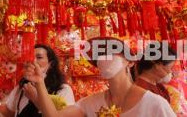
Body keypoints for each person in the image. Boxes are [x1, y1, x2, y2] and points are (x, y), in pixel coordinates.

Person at [24, 37, 176, 117]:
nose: (104, 57)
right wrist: (39, 83)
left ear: (129, 62)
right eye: (100, 54)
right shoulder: (91, 103)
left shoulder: (154, 104)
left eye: (111, 52)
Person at [0, 44, 75, 117]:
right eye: (31, 57)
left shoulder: (63, 89)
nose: (33, 61)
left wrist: (35, 98)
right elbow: (9, 112)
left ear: (51, 64)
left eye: (39, 57)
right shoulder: (22, 87)